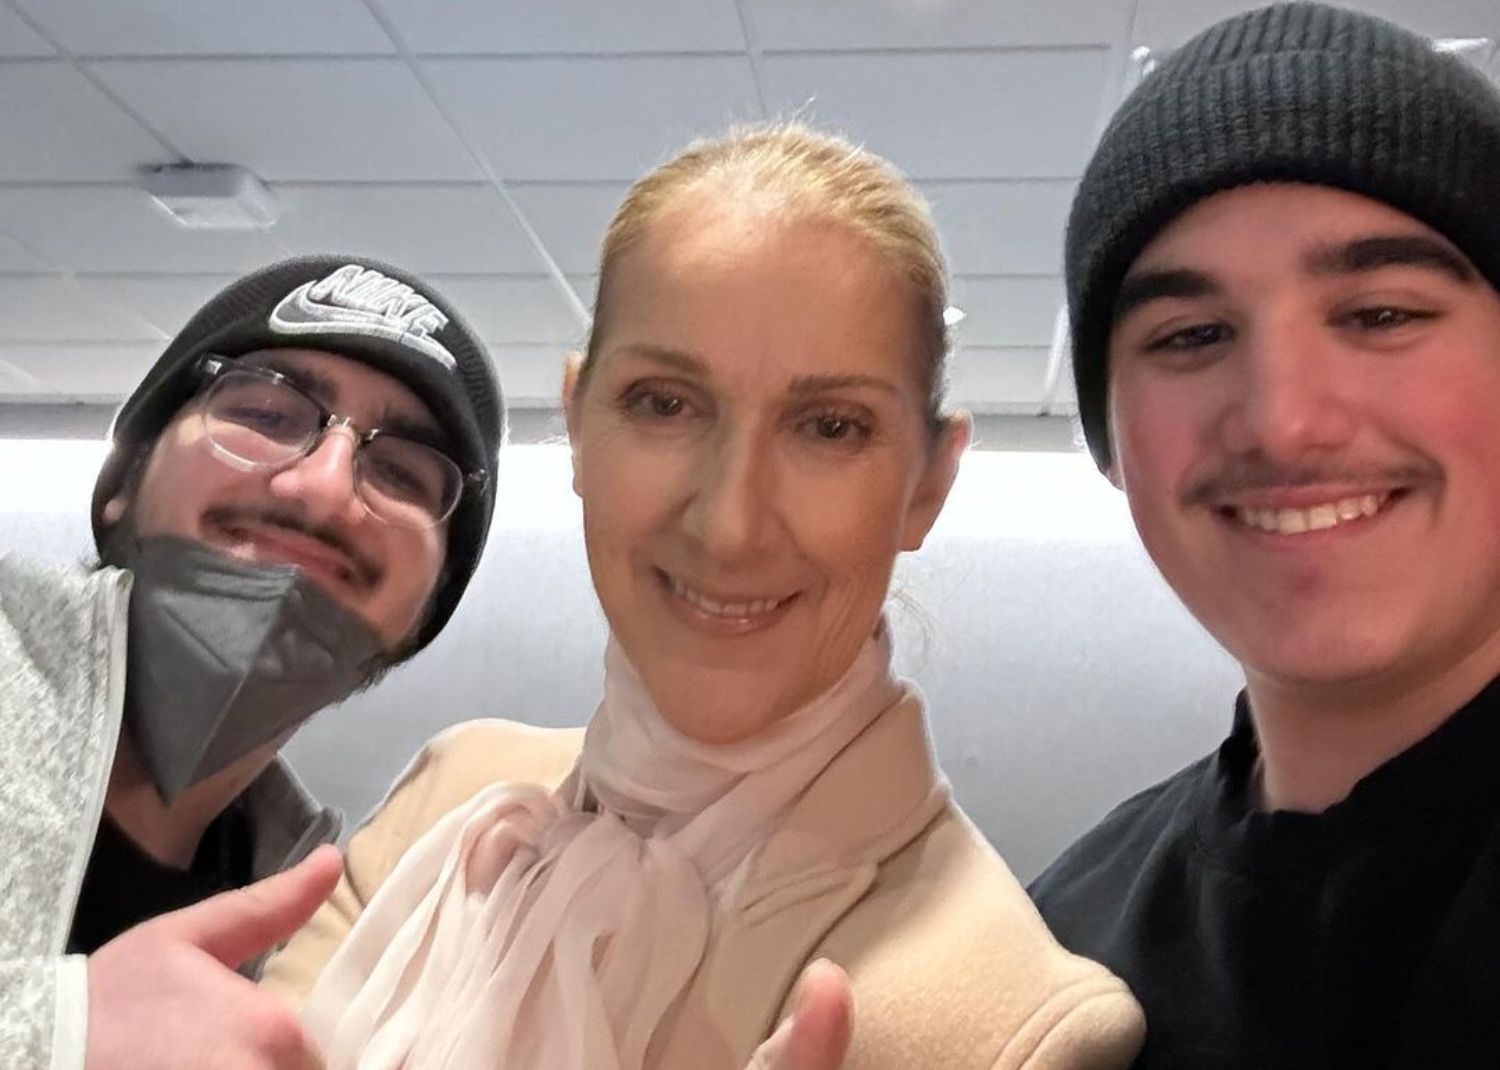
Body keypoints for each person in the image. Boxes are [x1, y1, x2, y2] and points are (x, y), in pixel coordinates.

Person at [262, 125, 1146, 1069]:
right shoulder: (448, 796)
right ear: (578, 424)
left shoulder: (1012, 1026)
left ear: (928, 486)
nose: (730, 526)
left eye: (831, 427)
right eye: (664, 403)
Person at [1027, 3, 1500, 1066]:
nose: (1285, 421)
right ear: (1114, 445)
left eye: (1381, 314)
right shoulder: (1061, 960)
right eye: (1191, 335)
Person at [0, 254, 503, 1068]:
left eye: (402, 472)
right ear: (125, 476)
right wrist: (55, 1036)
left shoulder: (316, 922)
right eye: (266, 413)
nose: (324, 486)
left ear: (422, 613)